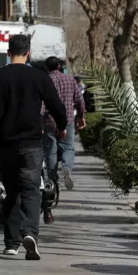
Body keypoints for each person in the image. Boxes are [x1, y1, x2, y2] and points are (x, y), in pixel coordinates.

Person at [0, 35, 67, 260]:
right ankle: (30, 233)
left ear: (8, 52)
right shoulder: (38, 76)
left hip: (4, 146)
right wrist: (61, 126)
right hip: (31, 145)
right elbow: (56, 105)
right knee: (30, 190)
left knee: (11, 191)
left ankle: (11, 243)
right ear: (29, 52)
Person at [43, 57, 86, 198]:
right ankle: (66, 168)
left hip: (49, 122)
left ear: (46, 68)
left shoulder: (45, 81)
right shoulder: (70, 80)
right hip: (67, 121)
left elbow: (40, 103)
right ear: (60, 67)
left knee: (51, 151)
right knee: (68, 148)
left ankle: (52, 180)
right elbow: (80, 100)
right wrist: (81, 116)